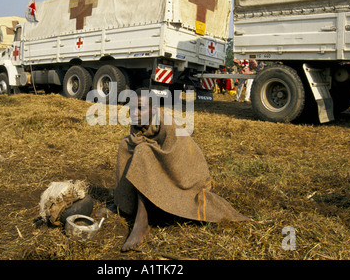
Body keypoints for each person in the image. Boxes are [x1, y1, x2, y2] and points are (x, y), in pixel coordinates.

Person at [98, 88, 249, 252]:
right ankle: (123, 203)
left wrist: (147, 152)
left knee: (142, 152)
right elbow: (142, 145)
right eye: (131, 108)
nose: (135, 113)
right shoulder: (139, 125)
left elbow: (177, 161)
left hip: (185, 177)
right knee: (126, 145)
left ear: (154, 109)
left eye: (140, 108)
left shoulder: (168, 126)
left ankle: (142, 221)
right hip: (159, 168)